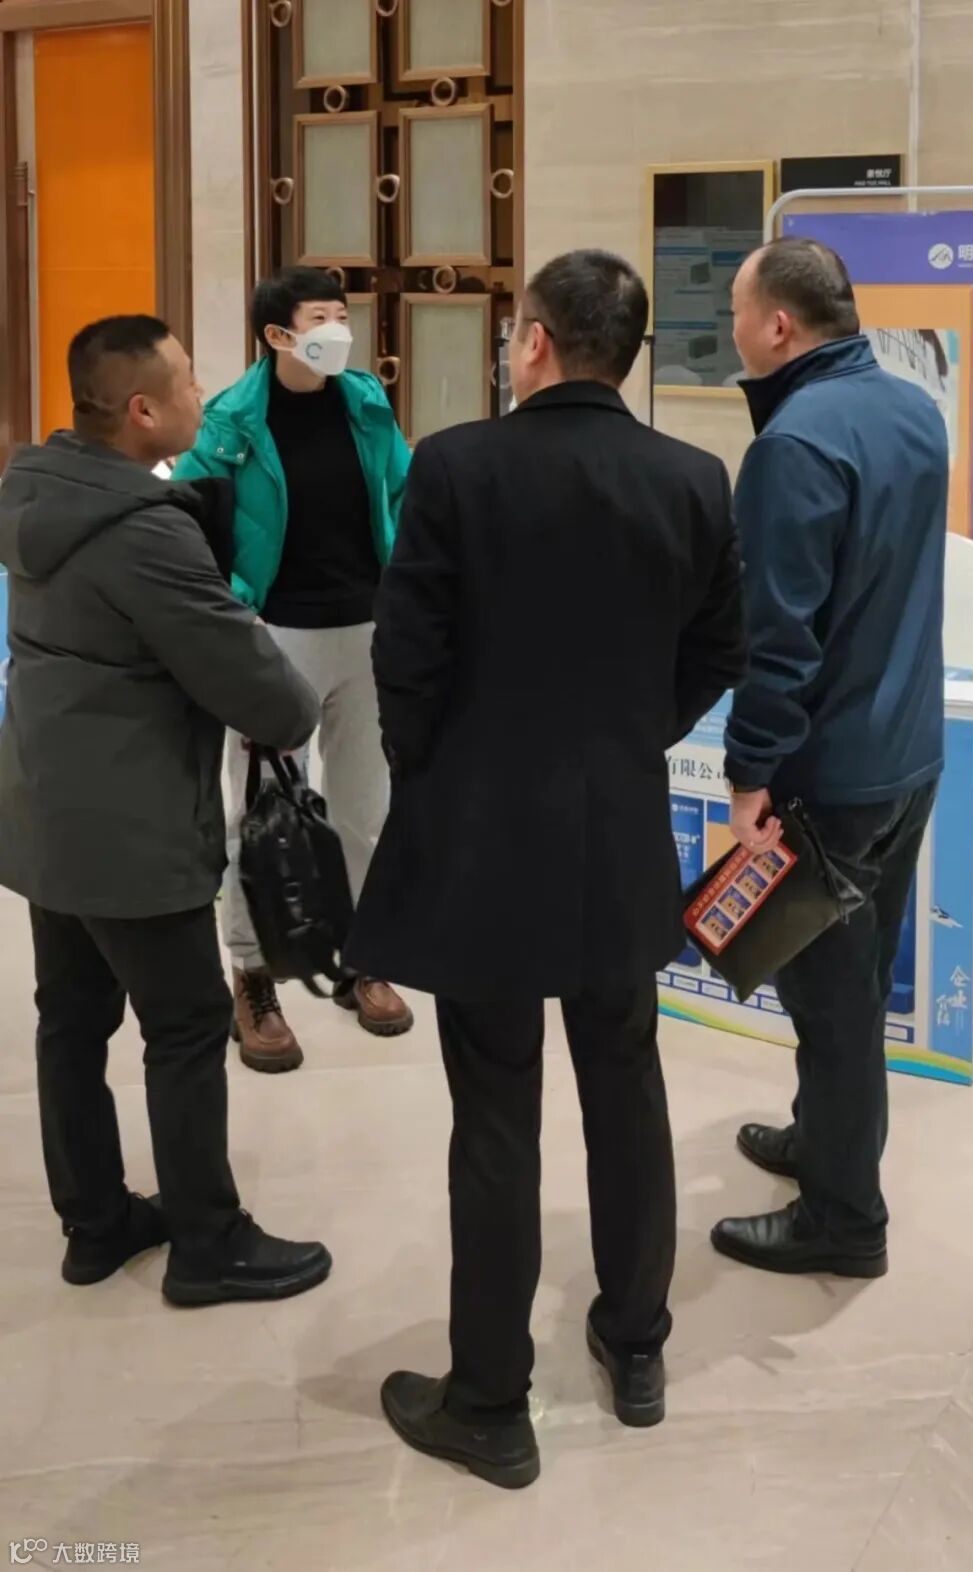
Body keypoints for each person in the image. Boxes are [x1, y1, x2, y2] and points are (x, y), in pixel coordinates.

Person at [349, 250, 746, 1488]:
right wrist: (633, 737)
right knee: (627, 1087)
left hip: (484, 835)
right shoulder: (692, 478)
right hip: (618, 830)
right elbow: (718, 647)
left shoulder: (456, 465)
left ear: (531, 342)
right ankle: (637, 1346)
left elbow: (407, 654)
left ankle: (488, 1400)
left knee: (494, 1109)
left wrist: (434, 767)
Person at [0, 315, 333, 1306]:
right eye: (186, 382)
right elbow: (268, 694)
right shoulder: (146, 534)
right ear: (142, 410)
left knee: (70, 1020)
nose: (202, 394)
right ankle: (208, 1244)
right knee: (186, 1025)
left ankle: (95, 1224)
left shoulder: (36, 490)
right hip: (133, 827)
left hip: (47, 809)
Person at [712, 237, 949, 1279]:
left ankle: (845, 1221)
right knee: (859, 972)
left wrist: (750, 773)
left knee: (833, 1002)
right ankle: (822, 1140)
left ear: (777, 325)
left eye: (735, 310)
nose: (729, 329)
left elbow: (781, 638)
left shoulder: (795, 444)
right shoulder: (912, 407)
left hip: (832, 777)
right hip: (907, 756)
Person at [173, 267, 414, 1072]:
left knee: (363, 809)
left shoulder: (365, 402)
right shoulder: (231, 421)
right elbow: (192, 526)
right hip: (276, 636)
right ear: (278, 334)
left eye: (343, 314)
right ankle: (252, 975)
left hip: (367, 630)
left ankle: (361, 958)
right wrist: (233, 612)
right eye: (321, 317)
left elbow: (403, 495)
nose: (338, 330)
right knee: (263, 815)